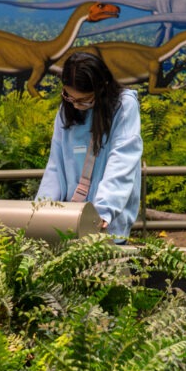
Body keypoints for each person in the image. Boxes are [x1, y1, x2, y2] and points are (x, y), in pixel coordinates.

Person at [35, 52, 142, 240]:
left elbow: (122, 159)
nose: (76, 105)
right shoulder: (66, 109)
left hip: (106, 223)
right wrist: (40, 211)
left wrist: (103, 211)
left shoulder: (124, 106)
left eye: (84, 100)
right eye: (69, 97)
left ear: (102, 88)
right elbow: (55, 165)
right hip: (69, 221)